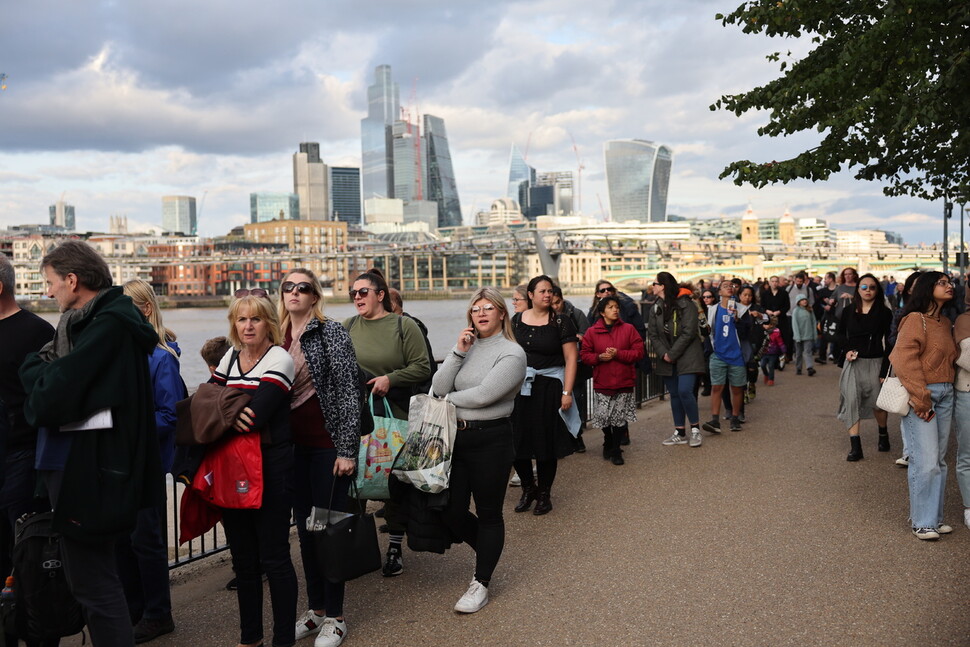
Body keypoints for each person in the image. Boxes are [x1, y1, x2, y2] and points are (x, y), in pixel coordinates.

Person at [20, 240, 162, 647]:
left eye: (50, 283)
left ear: (72, 279)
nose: (48, 293)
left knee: (94, 586)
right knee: (94, 581)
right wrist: (42, 373)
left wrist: (39, 376)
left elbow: (50, 397)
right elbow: (45, 373)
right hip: (83, 466)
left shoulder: (107, 325)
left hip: (89, 470)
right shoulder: (84, 323)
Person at [278, 270, 361, 647]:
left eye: (303, 287)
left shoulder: (331, 332)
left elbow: (348, 391)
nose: (294, 292)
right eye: (288, 287)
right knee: (306, 533)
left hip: (327, 447)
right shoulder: (275, 336)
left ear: (315, 296)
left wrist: (347, 450)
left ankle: (337, 617)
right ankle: (316, 610)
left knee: (329, 530)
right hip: (291, 449)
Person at [211, 288, 297, 647]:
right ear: (234, 324)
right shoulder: (230, 357)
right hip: (232, 470)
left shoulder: (280, 358)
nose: (248, 326)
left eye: (256, 318)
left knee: (275, 558)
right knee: (243, 562)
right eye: (241, 319)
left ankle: (282, 639)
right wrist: (224, 408)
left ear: (269, 324)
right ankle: (250, 639)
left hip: (271, 470)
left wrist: (220, 409)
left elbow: (254, 417)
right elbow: (203, 405)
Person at [432, 287, 526, 613]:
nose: (482, 313)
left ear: (502, 313)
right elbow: (438, 386)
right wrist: (457, 352)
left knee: (488, 513)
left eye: (489, 308)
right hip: (455, 440)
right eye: (476, 309)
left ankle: (481, 582)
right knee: (450, 510)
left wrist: (444, 401)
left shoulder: (513, 353)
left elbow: (485, 395)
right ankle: (487, 550)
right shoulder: (466, 348)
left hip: (492, 440)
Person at [343, 269, 431, 576]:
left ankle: (395, 547)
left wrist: (390, 379)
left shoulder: (403, 325)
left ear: (381, 295)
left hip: (394, 415)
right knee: (353, 481)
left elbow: (423, 367)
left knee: (392, 482)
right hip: (355, 416)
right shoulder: (347, 327)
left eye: (363, 292)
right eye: (353, 293)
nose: (357, 297)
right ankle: (353, 547)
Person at [117, 279, 184, 643]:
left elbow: (170, 415)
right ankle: (134, 611)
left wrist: (126, 428)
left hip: (146, 465)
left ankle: (158, 614)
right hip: (120, 466)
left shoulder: (161, 358)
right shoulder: (122, 354)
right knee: (123, 542)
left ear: (144, 309)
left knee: (146, 541)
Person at [0, 255, 55, 647]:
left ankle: (34, 629)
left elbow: (48, 397)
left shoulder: (36, 330)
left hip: (22, 454)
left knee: (23, 550)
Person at [889, 272, 957, 540]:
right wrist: (920, 398)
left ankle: (934, 519)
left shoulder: (945, 321)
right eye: (942, 282)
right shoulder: (915, 319)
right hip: (924, 396)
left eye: (948, 281)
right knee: (925, 461)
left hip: (947, 394)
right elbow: (903, 358)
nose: (949, 285)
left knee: (938, 461)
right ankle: (922, 521)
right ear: (928, 289)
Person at [511, 275, 578, 515]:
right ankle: (528, 488)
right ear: (530, 295)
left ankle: (544, 494)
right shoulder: (516, 320)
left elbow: (571, 359)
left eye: (550, 291)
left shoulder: (561, 322)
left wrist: (567, 392)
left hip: (549, 388)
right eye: (542, 291)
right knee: (516, 442)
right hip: (520, 388)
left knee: (545, 444)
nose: (547, 295)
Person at [581, 295, 645, 463]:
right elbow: (585, 355)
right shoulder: (592, 332)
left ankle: (616, 450)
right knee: (603, 418)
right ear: (602, 312)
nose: (615, 310)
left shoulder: (628, 329)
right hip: (603, 381)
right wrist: (599, 358)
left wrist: (619, 354)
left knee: (619, 418)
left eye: (616, 307)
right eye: (610, 307)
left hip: (624, 380)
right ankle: (608, 440)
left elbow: (639, 352)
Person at [836, 273, 892, 462]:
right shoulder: (848, 311)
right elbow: (840, 335)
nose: (868, 290)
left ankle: (883, 433)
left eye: (872, 287)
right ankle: (855, 447)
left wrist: (885, 371)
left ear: (877, 290)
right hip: (853, 363)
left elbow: (890, 343)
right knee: (851, 401)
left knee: (878, 403)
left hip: (875, 361)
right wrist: (846, 351)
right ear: (858, 289)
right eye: (864, 287)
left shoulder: (885, 313)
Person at [645, 273, 705, 448]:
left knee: (685, 390)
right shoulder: (655, 307)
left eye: (654, 283)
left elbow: (689, 332)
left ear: (663, 285)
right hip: (667, 356)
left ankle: (695, 429)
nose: (652, 286)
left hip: (688, 355)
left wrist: (672, 353)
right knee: (675, 394)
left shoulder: (686, 303)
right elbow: (653, 334)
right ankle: (679, 431)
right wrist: (665, 353)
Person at [701, 280, 748, 433]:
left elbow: (748, 331)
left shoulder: (741, 309)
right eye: (725, 286)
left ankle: (735, 417)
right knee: (716, 387)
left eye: (731, 286)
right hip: (718, 354)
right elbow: (708, 331)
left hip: (736, 355)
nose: (729, 288)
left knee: (737, 388)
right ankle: (715, 420)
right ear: (719, 292)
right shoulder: (712, 310)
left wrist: (737, 320)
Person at [888, 272, 922, 467]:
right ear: (909, 289)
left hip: (932, 372)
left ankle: (920, 451)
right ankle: (909, 452)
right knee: (906, 409)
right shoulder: (902, 313)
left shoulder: (942, 315)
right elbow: (892, 339)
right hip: (907, 367)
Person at [551, 284, 590, 453]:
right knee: (555, 402)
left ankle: (577, 436)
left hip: (577, 365)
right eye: (551, 303)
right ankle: (561, 438)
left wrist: (578, 338)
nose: (555, 307)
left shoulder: (576, 314)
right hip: (555, 366)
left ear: (562, 299)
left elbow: (588, 336)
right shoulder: (545, 317)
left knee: (577, 399)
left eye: (557, 302)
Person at [951, 286, 970, 531]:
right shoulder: (964, 320)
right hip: (967, 391)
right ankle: (969, 505)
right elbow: (966, 357)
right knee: (967, 453)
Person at [792, 294, 818, 376]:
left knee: (808, 352)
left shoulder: (810, 310)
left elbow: (814, 322)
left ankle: (809, 368)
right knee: (798, 353)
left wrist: (815, 334)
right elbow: (794, 324)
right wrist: (797, 336)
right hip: (798, 336)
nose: (805, 301)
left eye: (805, 299)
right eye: (802, 300)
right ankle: (798, 368)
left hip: (808, 335)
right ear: (798, 302)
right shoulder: (796, 311)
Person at [759, 317, 784, 385]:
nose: (764, 326)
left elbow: (780, 342)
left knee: (771, 366)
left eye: (766, 324)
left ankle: (771, 379)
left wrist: (783, 350)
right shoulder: (762, 332)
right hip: (764, 352)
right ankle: (766, 374)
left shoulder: (776, 333)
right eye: (764, 324)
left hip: (773, 352)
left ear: (771, 325)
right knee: (762, 365)